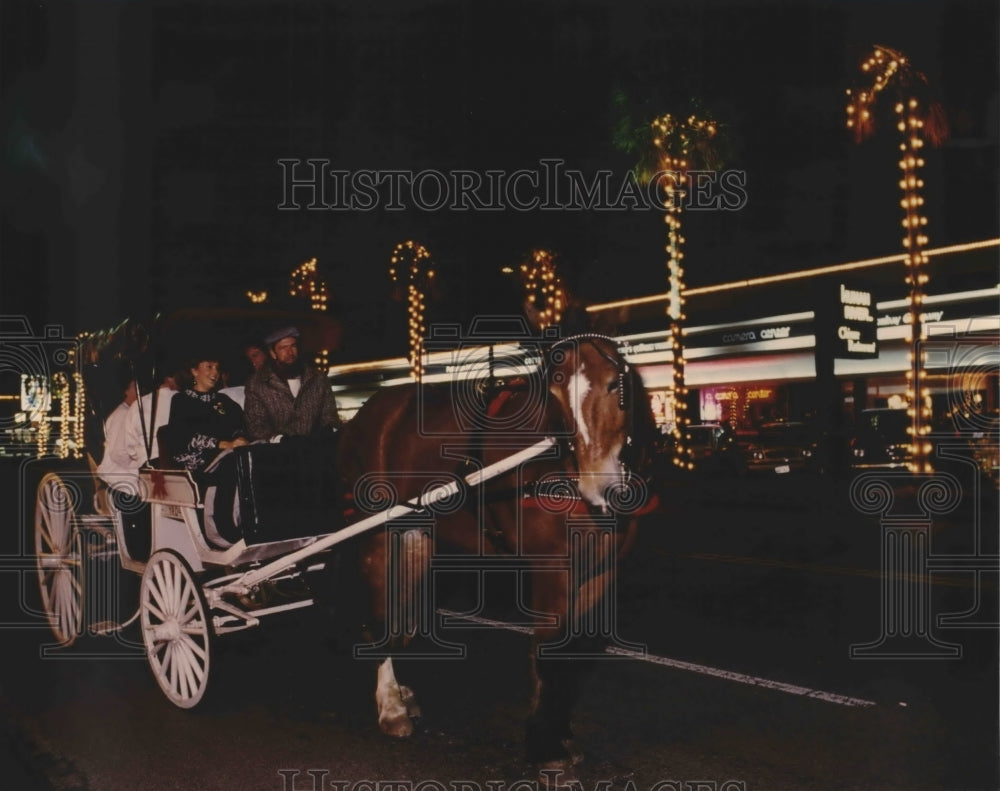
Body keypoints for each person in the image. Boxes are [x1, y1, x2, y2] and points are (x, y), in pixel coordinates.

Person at [244, 325, 342, 442]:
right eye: (283, 348)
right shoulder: (257, 384)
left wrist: (325, 433)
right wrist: (281, 440)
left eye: (293, 346)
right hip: (277, 454)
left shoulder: (318, 379)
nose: (290, 352)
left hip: (316, 450)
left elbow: (330, 417)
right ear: (273, 353)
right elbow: (257, 428)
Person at [162, 353, 249, 476]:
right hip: (196, 460)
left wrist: (240, 438)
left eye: (217, 368)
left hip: (227, 455)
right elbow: (183, 435)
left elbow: (239, 424)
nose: (215, 373)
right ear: (194, 371)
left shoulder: (223, 399)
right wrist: (222, 444)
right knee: (230, 463)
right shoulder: (181, 400)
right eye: (209, 367)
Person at [125, 373, 178, 466]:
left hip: (147, 464)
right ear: (170, 379)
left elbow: (129, 445)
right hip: (175, 463)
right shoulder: (183, 400)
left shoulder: (137, 405)